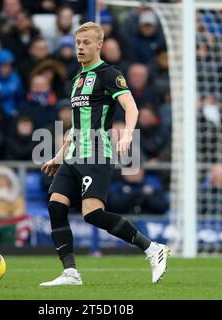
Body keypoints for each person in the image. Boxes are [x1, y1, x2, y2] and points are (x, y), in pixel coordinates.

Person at [39, 22, 169, 286]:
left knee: (92, 214)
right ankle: (70, 273)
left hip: (96, 154)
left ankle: (152, 249)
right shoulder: (76, 80)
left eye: (86, 42)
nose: (80, 47)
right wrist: (58, 155)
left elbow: (130, 107)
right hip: (73, 155)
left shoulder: (109, 74)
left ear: (99, 45)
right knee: (55, 205)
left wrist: (129, 134)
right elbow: (76, 127)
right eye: (78, 42)